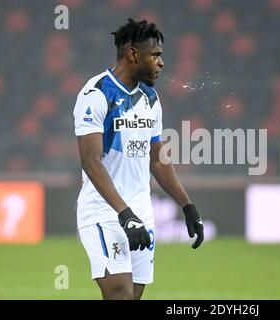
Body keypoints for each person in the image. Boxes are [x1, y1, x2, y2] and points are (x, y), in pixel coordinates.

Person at [73, 19, 204, 300]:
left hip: (141, 213)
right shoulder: (96, 94)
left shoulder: (151, 98)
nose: (161, 63)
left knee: (132, 296)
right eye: (155, 55)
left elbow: (157, 160)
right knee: (119, 294)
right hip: (105, 213)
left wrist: (187, 205)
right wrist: (124, 214)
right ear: (133, 54)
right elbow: (91, 162)